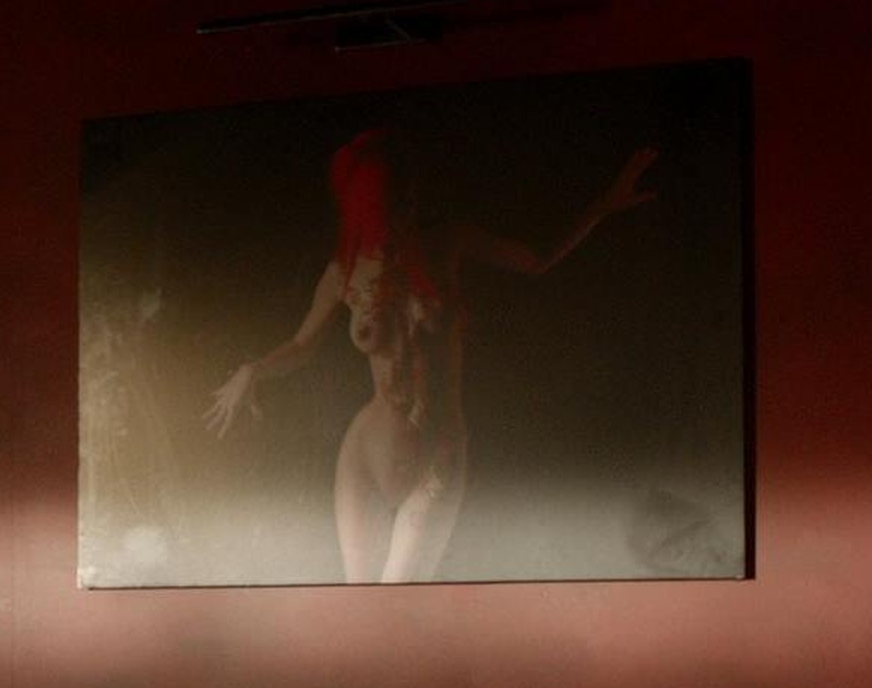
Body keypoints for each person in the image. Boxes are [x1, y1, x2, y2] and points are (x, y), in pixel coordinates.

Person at [204, 128, 658, 583]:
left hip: (437, 453)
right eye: (387, 205)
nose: (402, 213)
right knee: (359, 603)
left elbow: (537, 258)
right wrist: (253, 370)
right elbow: (302, 345)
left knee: (397, 601)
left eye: (405, 201)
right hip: (367, 451)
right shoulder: (345, 272)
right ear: (364, 208)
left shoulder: (445, 244)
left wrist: (602, 207)